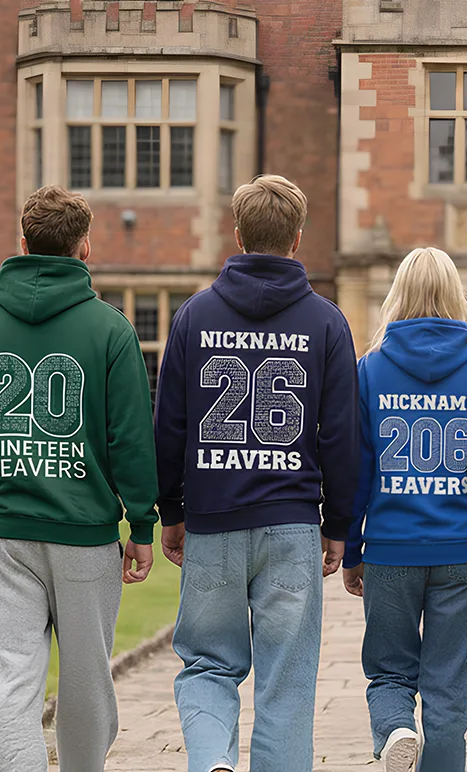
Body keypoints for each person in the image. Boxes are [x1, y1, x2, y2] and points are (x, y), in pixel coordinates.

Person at [0, 185, 158, 772]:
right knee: (88, 683)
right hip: (85, 534)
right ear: (85, 245)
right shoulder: (111, 331)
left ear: (24, 242)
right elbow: (130, 440)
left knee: (10, 686)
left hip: (5, 536)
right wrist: (141, 523)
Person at [154, 174, 360, 772]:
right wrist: (340, 524)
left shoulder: (194, 315)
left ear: (237, 233)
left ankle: (214, 758)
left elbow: (169, 424)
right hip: (292, 525)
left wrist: (172, 512)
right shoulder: (327, 323)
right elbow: (342, 436)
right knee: (287, 684)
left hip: (213, 521)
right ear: (297, 238)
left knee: (208, 665)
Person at [341, 247, 467, 772]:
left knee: (389, 673)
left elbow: (358, 471)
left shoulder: (371, 370)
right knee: (449, 690)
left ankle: (396, 729)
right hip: (462, 552)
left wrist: (351, 549)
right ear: (457, 296)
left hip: (391, 547)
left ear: (397, 295)